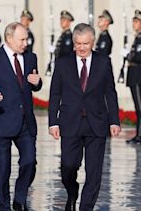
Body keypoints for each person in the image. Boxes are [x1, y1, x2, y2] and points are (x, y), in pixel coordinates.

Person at [48, 23, 121, 211]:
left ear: (93, 42)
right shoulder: (63, 62)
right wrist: (52, 122)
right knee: (68, 166)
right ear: (73, 42)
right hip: (69, 123)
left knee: (94, 172)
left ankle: (86, 207)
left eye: (86, 44)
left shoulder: (103, 62)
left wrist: (114, 120)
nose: (82, 48)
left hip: (96, 123)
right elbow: (55, 93)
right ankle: (72, 192)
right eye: (78, 43)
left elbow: (110, 93)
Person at [0, 22, 42, 210]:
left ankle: (19, 199)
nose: (25, 43)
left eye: (26, 39)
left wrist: (37, 83)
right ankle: (4, 203)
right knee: (2, 169)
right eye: (22, 39)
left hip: (25, 121)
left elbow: (34, 82)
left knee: (29, 161)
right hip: (1, 120)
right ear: (9, 38)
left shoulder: (31, 57)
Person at [123, 10, 141, 144]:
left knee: (140, 106)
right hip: (133, 72)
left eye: (137, 22)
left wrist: (128, 56)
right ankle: (138, 134)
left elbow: (138, 57)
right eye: (134, 21)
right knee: (137, 106)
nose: (134, 24)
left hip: (137, 72)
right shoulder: (137, 38)